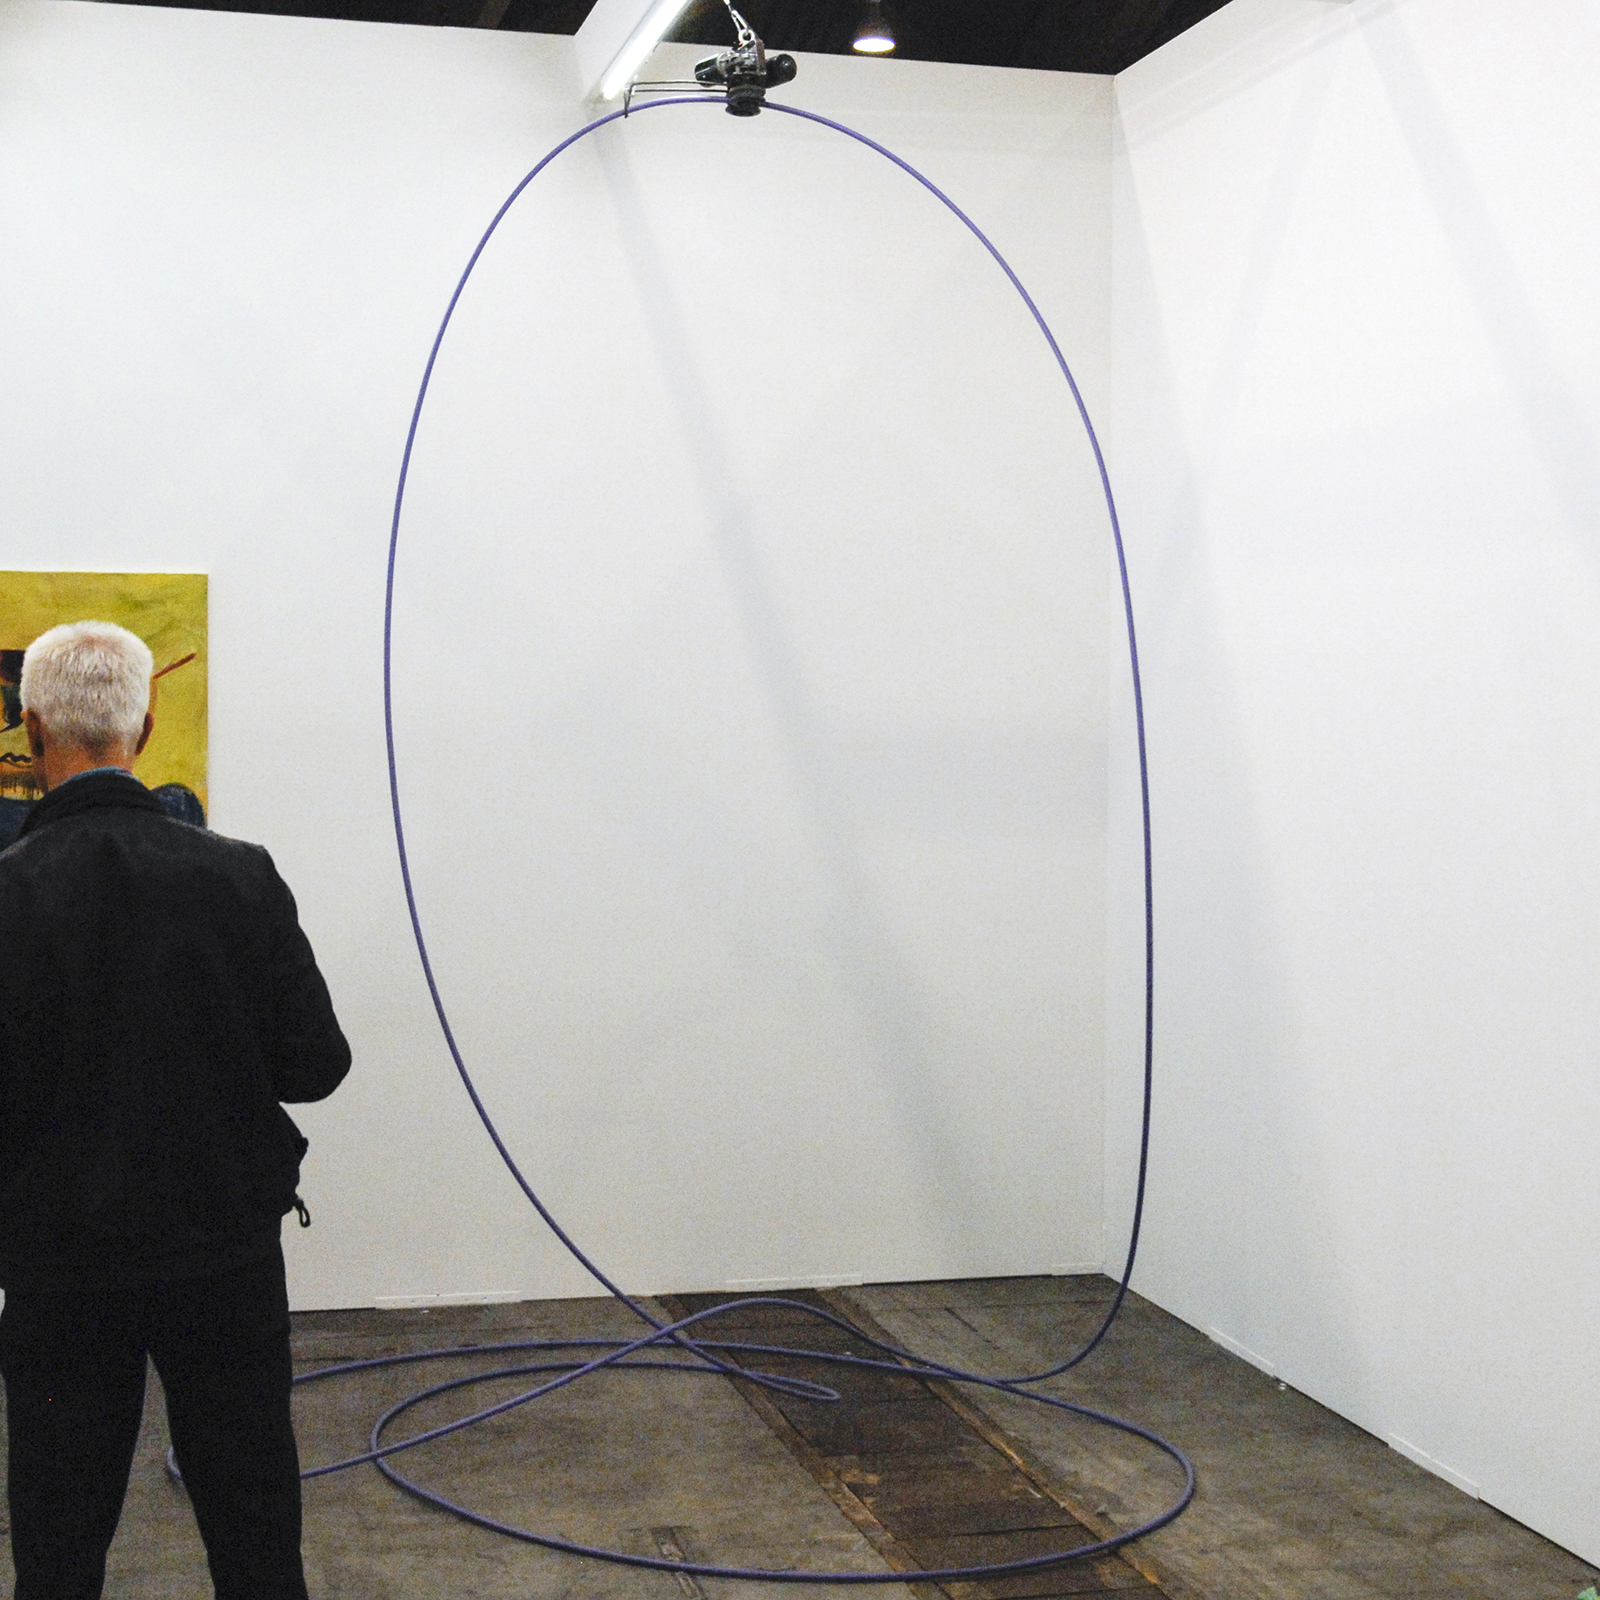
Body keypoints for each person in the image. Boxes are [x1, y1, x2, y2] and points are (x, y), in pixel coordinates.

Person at [0, 620, 351, 1600]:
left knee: (58, 1557)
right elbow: (317, 1064)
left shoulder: (7, 897)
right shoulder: (239, 875)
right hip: (222, 1260)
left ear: (32, 728)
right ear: (144, 727)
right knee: (256, 1548)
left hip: (59, 1270)